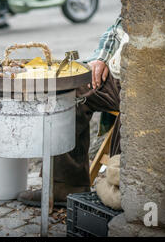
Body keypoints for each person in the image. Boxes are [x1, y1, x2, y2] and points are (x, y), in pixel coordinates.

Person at [17, 16, 128, 207]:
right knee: (68, 91)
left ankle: (120, 192)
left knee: (133, 109)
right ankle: (65, 186)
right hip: (117, 73)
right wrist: (101, 57)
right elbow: (119, 26)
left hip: (143, 81)